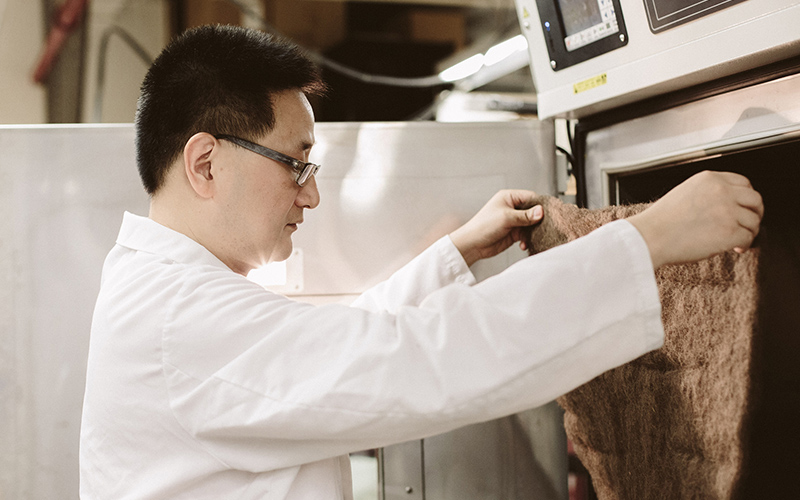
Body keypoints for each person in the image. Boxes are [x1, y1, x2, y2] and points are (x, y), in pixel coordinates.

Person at [79, 24, 764, 499]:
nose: (311, 193)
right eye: (295, 165)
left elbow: (335, 353)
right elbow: (412, 363)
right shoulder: (181, 323)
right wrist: (649, 241)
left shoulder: (168, 297)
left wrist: (453, 254)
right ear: (205, 163)